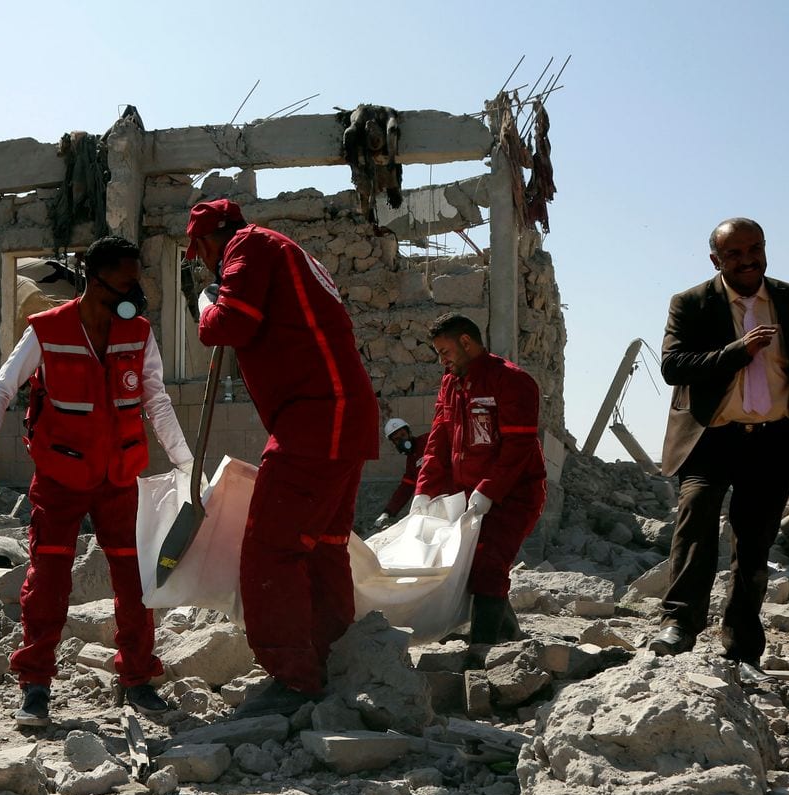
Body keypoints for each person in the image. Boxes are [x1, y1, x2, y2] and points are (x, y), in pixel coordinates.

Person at [0, 235, 195, 726]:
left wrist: (185, 461)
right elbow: (2, 388)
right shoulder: (47, 331)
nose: (137, 290)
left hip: (119, 477)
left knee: (134, 581)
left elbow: (156, 399)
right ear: (96, 280)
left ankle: (136, 678)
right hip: (61, 476)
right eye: (127, 281)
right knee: (47, 580)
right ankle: (36, 687)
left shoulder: (139, 332)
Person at [188, 199, 379, 716]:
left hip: (317, 419)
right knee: (323, 545)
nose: (204, 264)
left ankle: (293, 680)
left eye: (199, 253)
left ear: (209, 242)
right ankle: (332, 659)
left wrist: (207, 303)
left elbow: (231, 324)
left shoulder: (248, 246)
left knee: (271, 546)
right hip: (341, 415)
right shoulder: (284, 251)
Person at [646, 218, 789, 686]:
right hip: (711, 439)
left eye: (755, 248)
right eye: (735, 254)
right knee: (696, 516)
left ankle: (743, 643)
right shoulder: (692, 302)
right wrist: (736, 351)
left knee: (755, 542)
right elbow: (672, 365)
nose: (748, 260)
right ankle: (679, 624)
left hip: (773, 439)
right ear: (716, 261)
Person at [412, 313, 547, 644]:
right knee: (472, 563)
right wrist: (424, 490)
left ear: (466, 342)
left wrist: (489, 489)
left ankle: (482, 649)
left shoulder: (511, 381)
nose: (441, 360)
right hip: (468, 494)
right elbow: (439, 440)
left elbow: (519, 445)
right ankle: (508, 634)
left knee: (488, 562)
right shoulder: (451, 383)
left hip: (514, 495)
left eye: (445, 351)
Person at [372, 418, 429, 530]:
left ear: (409, 433)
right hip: (429, 502)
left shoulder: (428, 441)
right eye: (397, 439)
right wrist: (387, 512)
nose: (402, 441)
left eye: (403, 435)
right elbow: (405, 488)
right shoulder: (411, 461)